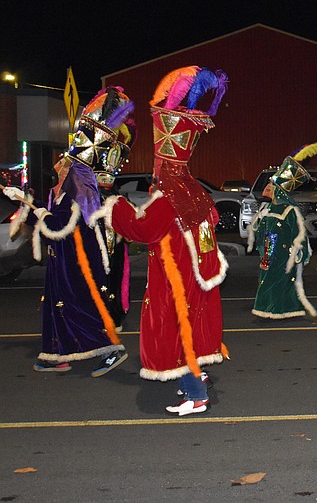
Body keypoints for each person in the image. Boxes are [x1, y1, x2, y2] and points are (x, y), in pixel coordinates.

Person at [92, 66, 230, 416]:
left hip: (175, 282)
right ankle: (200, 380)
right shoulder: (195, 192)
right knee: (193, 331)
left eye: (157, 167)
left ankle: (195, 394)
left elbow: (143, 229)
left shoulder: (169, 196)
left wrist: (113, 205)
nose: (154, 173)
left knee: (175, 336)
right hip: (197, 277)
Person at [2, 87, 133, 376]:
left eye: (63, 167)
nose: (58, 169)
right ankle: (56, 354)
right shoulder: (64, 196)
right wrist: (25, 201)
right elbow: (50, 219)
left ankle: (112, 350)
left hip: (78, 267)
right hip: (63, 266)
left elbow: (55, 227)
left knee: (82, 308)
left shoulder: (76, 197)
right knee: (59, 309)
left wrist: (29, 206)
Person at [247, 150, 317, 320]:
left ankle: (277, 310)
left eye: (271, 187)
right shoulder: (266, 209)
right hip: (268, 252)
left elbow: (299, 233)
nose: (267, 188)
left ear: (278, 192)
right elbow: (259, 229)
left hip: (283, 254)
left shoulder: (290, 211)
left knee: (280, 281)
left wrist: (297, 251)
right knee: (266, 280)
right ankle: (269, 309)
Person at [94, 116, 137, 333]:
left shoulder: (120, 199)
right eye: (102, 175)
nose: (107, 180)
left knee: (115, 282)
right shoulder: (88, 200)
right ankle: (96, 319)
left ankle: (115, 317)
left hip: (117, 249)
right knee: (96, 281)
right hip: (95, 248)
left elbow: (132, 223)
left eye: (110, 176)